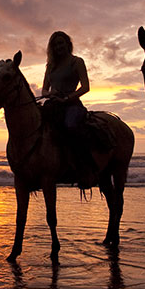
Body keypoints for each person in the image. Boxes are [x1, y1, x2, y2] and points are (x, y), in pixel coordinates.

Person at [41, 31, 96, 185]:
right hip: (54, 104)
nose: (59, 47)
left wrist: (67, 97)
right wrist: (51, 93)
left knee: (70, 126)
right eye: (56, 44)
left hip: (72, 105)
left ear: (68, 44)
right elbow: (44, 90)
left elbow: (85, 87)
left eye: (61, 43)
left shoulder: (77, 62)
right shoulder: (50, 66)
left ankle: (83, 168)